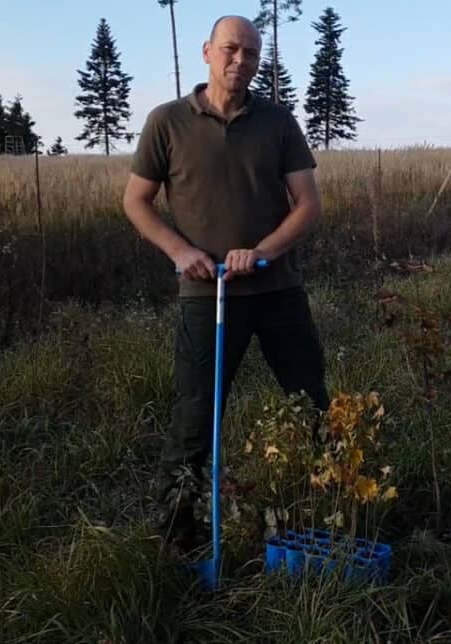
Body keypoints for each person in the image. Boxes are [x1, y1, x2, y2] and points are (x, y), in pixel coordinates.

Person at [123, 15, 330, 553]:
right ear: (207, 52)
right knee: (195, 417)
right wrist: (181, 252)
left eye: (252, 54)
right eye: (231, 50)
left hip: (278, 291)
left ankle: (324, 509)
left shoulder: (278, 122)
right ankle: (177, 534)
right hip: (205, 296)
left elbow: (307, 206)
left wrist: (261, 253)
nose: (242, 61)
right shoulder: (167, 122)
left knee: (310, 403)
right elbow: (135, 202)